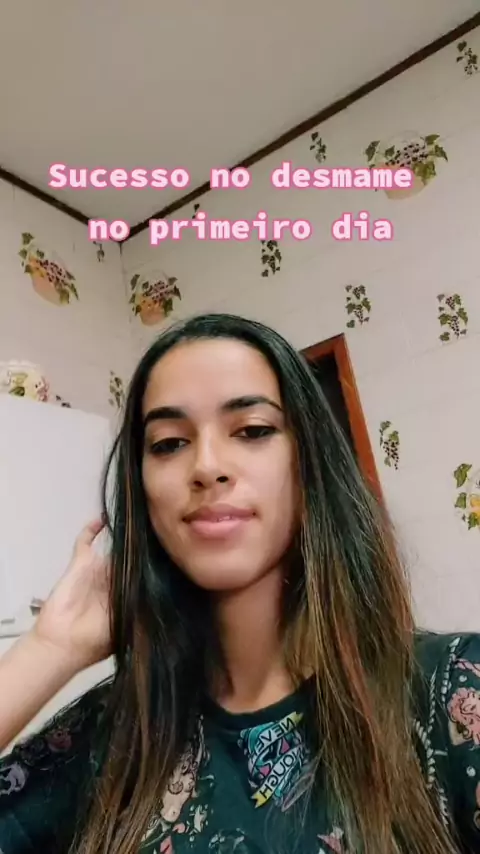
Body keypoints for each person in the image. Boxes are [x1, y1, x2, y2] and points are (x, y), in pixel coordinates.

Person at [0, 312, 479, 854]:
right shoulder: (115, 734)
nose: (206, 466)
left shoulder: (452, 692)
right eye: (169, 443)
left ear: (309, 464)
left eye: (252, 431)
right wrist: (50, 649)